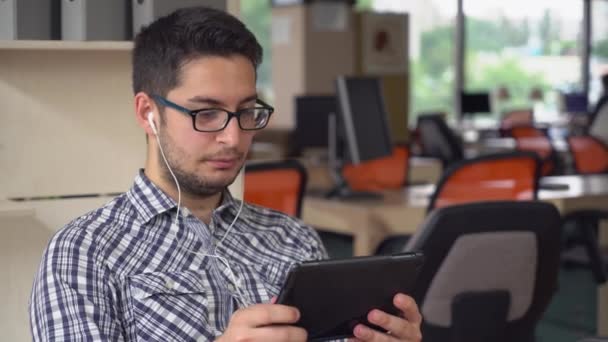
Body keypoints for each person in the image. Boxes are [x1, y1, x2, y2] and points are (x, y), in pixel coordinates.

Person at [29, 6, 422, 342]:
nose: (233, 138)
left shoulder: (294, 239)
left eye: (247, 112)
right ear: (147, 112)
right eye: (207, 113)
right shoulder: (84, 254)